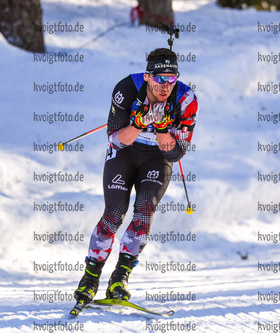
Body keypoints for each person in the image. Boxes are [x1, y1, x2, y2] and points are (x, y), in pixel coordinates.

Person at [74, 48, 199, 304]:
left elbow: (176, 153)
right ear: (147, 77)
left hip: (157, 156)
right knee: (115, 211)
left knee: (144, 210)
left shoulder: (186, 100)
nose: (166, 86)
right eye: (160, 79)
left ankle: (120, 277)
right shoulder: (127, 88)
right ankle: (90, 278)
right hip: (126, 152)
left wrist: (163, 129)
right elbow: (115, 140)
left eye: (172, 79)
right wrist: (139, 124)